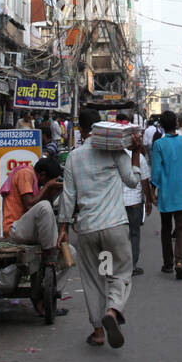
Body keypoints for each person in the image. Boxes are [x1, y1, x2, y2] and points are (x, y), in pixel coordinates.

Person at [58, 108, 141, 348]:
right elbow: (132, 181)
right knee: (119, 273)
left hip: (88, 229)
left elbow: (68, 196)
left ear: (81, 130)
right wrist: (135, 154)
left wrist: (63, 227)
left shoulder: (74, 156)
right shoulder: (115, 150)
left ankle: (98, 332)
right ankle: (113, 310)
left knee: (94, 279)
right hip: (114, 225)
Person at [4, 156, 64, 316]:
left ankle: (41, 294)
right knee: (44, 206)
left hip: (26, 229)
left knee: (67, 251)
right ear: (43, 175)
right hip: (14, 229)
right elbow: (30, 204)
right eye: (48, 180)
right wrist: (48, 187)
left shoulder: (36, 181)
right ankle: (49, 252)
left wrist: (51, 190)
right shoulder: (26, 173)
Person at [152, 110, 182, 279]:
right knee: (181, 229)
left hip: (166, 194)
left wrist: (152, 193)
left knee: (166, 229)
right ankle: (180, 262)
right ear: (176, 124)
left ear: (162, 126)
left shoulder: (159, 145)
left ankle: (168, 264)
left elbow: (156, 172)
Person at [123, 144, 152, 276]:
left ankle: (120, 264)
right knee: (134, 234)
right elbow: (145, 180)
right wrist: (148, 200)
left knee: (121, 236)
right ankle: (133, 266)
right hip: (134, 202)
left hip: (118, 202)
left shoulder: (116, 156)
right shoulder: (140, 157)